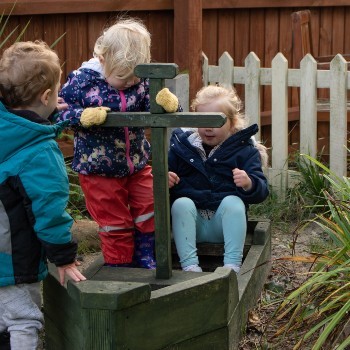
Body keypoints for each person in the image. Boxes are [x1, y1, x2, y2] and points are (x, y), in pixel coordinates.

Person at [56, 17, 179, 269]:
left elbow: (153, 107)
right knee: (115, 220)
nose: (131, 83)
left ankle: (146, 255)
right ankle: (119, 264)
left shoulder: (140, 79)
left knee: (150, 204)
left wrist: (166, 103)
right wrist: (83, 116)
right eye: (123, 77)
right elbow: (58, 113)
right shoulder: (82, 81)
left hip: (136, 163)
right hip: (98, 169)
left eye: (136, 77)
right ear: (102, 59)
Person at [0, 41, 86, 350]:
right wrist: (63, 258)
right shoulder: (40, 153)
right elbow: (48, 209)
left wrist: (46, 117)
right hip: (13, 266)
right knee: (23, 320)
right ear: (46, 96)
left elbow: (22, 127)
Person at [168, 85, 269, 273]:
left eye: (217, 121)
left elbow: (262, 190)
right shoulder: (182, 148)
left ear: (231, 122)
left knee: (233, 202)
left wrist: (249, 183)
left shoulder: (243, 150)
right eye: (203, 120)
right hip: (191, 226)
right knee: (181, 204)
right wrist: (166, 181)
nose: (208, 128)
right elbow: (162, 182)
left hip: (224, 227)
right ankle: (190, 266)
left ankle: (232, 265)